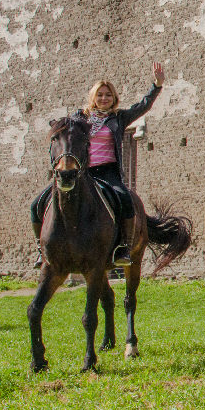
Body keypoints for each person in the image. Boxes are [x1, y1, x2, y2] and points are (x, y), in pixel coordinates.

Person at [31, 62, 164, 268]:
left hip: (108, 172)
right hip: (82, 173)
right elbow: (62, 131)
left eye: (108, 95)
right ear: (93, 97)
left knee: (125, 199)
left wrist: (157, 85)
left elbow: (143, 106)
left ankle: (124, 247)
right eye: (100, 95)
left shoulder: (119, 118)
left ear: (114, 98)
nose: (104, 98)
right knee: (36, 204)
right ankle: (42, 249)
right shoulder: (79, 118)